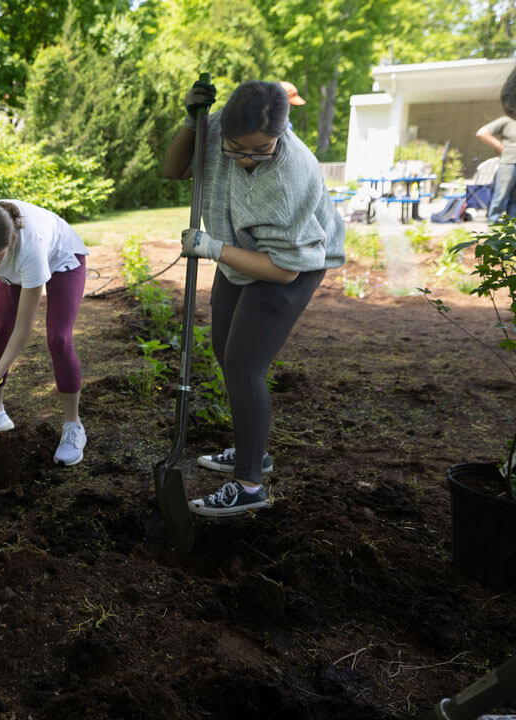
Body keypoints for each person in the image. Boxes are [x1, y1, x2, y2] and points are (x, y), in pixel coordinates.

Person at [162, 80, 345, 517]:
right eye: (236, 147)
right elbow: (174, 170)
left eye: (261, 149)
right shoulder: (218, 129)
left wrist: (212, 249)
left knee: (247, 364)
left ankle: (249, 484)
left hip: (291, 263)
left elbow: (285, 268)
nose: (246, 157)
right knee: (226, 353)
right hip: (236, 251)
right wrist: (193, 122)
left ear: (280, 133)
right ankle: (252, 450)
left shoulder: (290, 173)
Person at [0, 200, 90, 466]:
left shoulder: (30, 247)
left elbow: (24, 327)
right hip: (16, 272)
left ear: (12, 238)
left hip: (63, 262)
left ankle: (73, 426)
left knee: (59, 339)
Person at [475, 68, 516, 224]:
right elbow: (482, 132)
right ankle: (493, 222)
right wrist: (500, 146)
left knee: (515, 199)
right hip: (508, 162)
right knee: (501, 193)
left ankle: (512, 226)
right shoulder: (507, 120)